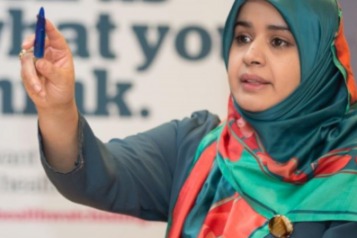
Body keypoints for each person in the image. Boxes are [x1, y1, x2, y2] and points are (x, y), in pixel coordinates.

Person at [19, 0, 357, 237]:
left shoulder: (347, 182)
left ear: (320, 63)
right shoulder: (199, 146)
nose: (252, 55)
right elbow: (93, 175)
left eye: (279, 41)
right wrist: (58, 109)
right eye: (243, 37)